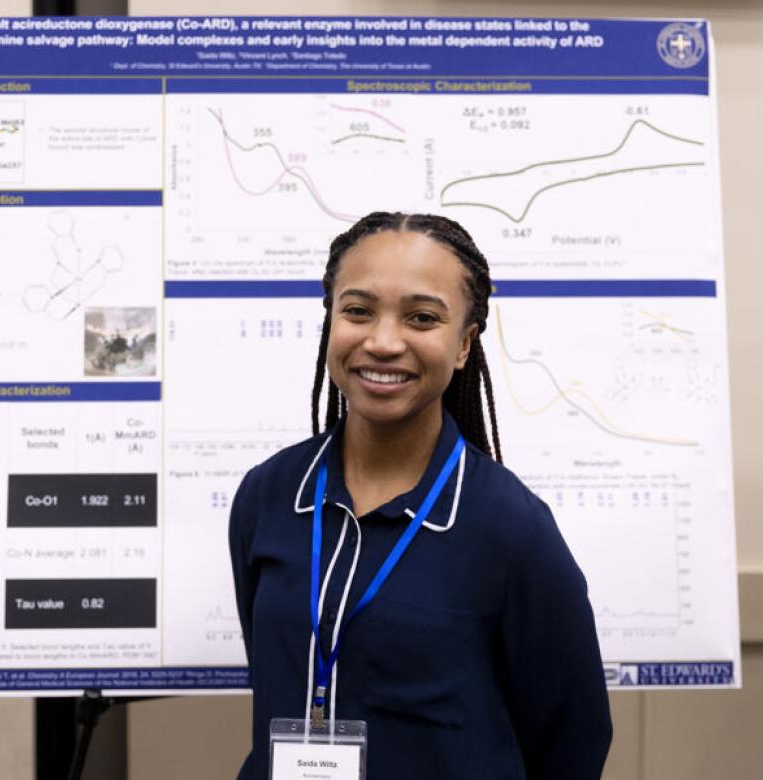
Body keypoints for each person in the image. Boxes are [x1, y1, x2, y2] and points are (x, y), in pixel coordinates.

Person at [228, 212, 612, 779]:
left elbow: (572, 741)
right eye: (357, 311)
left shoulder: (510, 527)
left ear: (463, 345)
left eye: (422, 318)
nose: (383, 342)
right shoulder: (271, 494)